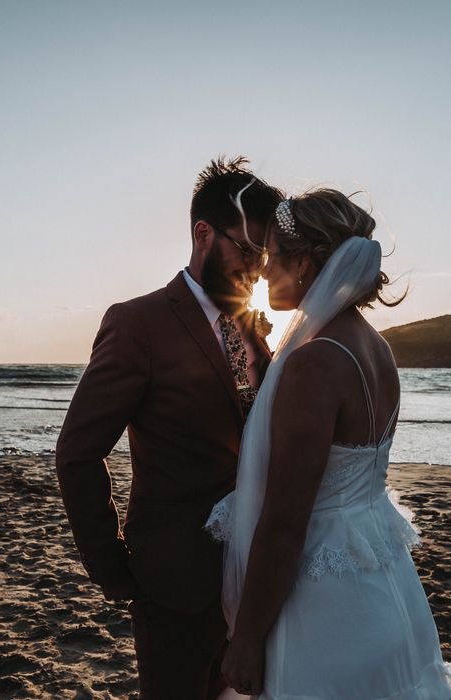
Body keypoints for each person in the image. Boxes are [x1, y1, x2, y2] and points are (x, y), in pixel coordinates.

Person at [207, 190, 451, 698]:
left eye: (272, 258)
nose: (261, 274)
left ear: (304, 262)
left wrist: (245, 640)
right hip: (382, 583)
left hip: (323, 604)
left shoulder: (315, 363)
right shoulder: (378, 349)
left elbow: (284, 524)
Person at [56, 156, 283, 700]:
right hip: (177, 582)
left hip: (255, 583)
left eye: (264, 254)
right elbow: (77, 453)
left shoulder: (252, 328)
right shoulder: (139, 323)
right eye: (245, 249)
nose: (255, 268)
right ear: (203, 234)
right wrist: (111, 567)